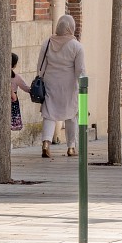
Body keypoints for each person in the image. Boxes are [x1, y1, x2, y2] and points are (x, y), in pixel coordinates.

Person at [36, 15, 86, 158]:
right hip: (69, 86)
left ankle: (46, 143)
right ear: (71, 27)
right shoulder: (76, 46)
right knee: (71, 116)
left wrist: (42, 79)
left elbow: (41, 65)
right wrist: (83, 86)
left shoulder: (47, 43)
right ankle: (71, 147)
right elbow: (80, 70)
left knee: (49, 114)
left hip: (50, 83)